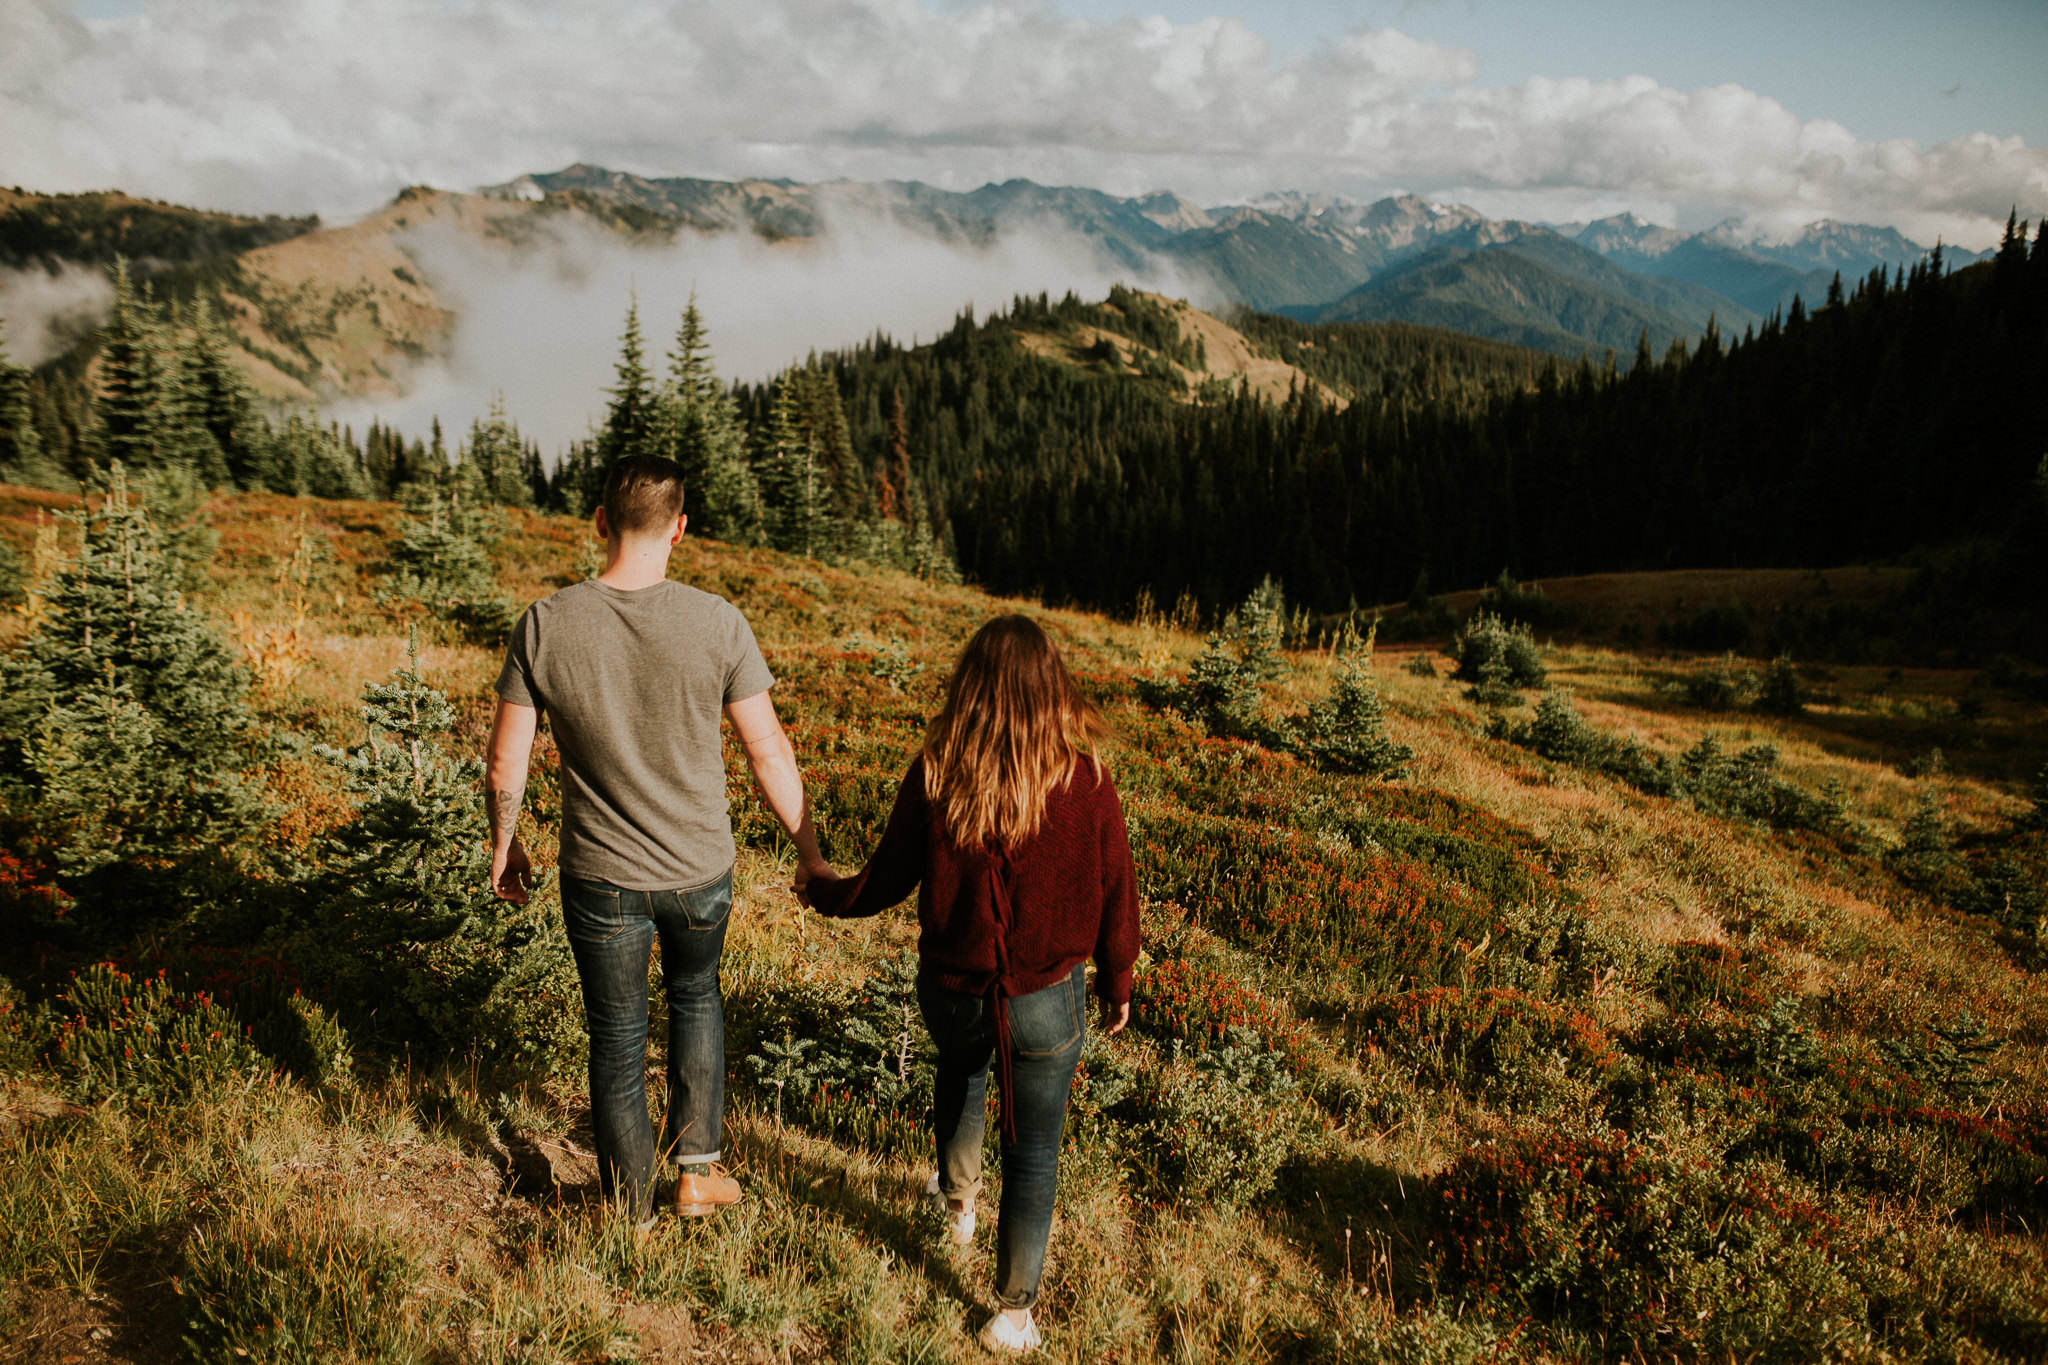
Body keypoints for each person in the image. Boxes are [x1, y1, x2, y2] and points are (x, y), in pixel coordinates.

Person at [485, 454, 832, 1222]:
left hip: (600, 874)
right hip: (699, 868)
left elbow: (507, 759)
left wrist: (504, 843)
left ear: (601, 520)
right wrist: (808, 854)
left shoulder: (545, 622)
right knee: (696, 997)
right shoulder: (717, 621)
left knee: (615, 1034)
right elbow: (767, 749)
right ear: (680, 528)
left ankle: (629, 1211)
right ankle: (697, 1171)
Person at [805, 614, 1140, 1355]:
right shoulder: (1085, 777)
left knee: (961, 1067)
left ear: (972, 685)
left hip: (953, 992)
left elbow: (885, 880)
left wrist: (823, 887)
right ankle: (1011, 1313)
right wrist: (1118, 976)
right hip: (1046, 999)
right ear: (1053, 684)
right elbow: (1119, 886)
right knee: (1035, 1149)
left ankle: (957, 1206)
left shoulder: (937, 768)